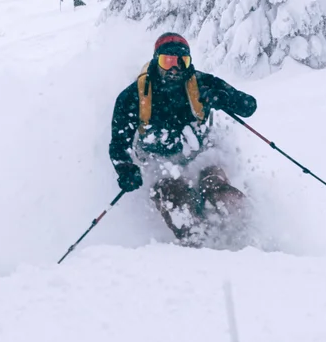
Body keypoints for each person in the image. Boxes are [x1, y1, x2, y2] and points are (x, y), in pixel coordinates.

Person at [108, 32, 258, 245]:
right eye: (167, 61)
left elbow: (248, 106)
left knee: (216, 187)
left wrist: (222, 97)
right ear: (155, 60)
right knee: (173, 196)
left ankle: (252, 233)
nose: (175, 68)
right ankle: (199, 246)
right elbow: (119, 143)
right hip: (159, 164)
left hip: (202, 156)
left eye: (182, 61)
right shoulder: (133, 96)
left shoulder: (201, 83)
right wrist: (125, 169)